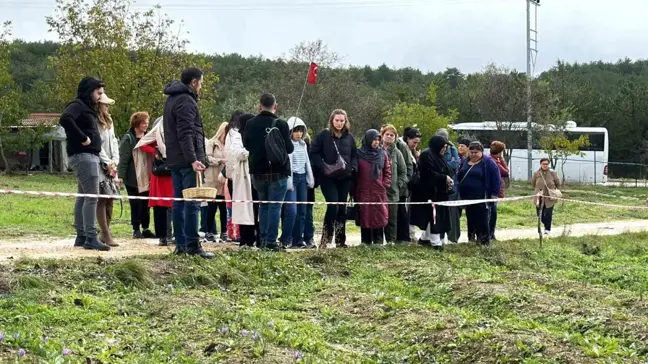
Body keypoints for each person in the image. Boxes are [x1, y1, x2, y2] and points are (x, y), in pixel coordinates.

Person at [163, 67, 214, 258]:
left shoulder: (172, 99)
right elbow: (186, 134)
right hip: (186, 161)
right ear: (194, 82)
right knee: (191, 202)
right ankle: (192, 245)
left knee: (179, 202)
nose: (201, 86)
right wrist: (193, 159)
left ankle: (182, 245)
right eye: (201, 82)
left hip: (176, 159)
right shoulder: (186, 101)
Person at [59, 76, 110, 251]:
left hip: (86, 156)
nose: (100, 96)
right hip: (84, 156)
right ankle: (90, 237)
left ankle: (81, 236)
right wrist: (83, 138)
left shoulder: (86, 107)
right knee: (92, 196)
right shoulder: (78, 105)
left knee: (83, 196)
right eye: (98, 92)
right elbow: (65, 119)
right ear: (89, 91)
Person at [242, 94, 294, 251]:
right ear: (275, 106)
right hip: (278, 172)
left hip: (257, 172)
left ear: (259, 106)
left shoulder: (250, 123)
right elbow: (290, 148)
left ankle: (263, 240)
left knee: (264, 206)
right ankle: (271, 242)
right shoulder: (282, 124)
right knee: (275, 207)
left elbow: (246, 145)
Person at [310, 109, 358, 249]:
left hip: (345, 178)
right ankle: (325, 239)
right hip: (328, 177)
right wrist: (322, 166)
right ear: (332, 120)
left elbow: (355, 154)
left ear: (346, 121)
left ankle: (340, 240)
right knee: (333, 206)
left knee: (342, 208)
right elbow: (314, 152)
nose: (339, 123)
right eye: (337, 120)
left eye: (342, 120)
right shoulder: (323, 135)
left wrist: (352, 168)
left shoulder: (349, 138)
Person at [134, 117, 174, 246]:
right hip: (160, 173)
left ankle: (169, 234)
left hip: (171, 173)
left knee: (170, 205)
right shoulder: (156, 133)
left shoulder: (173, 134)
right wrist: (155, 152)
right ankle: (164, 236)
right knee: (161, 205)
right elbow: (142, 144)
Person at [410, 135, 454, 250]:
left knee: (434, 216)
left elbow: (446, 170)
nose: (444, 149)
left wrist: (447, 179)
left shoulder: (438, 156)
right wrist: (444, 177)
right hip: (427, 192)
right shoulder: (426, 155)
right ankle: (435, 242)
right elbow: (428, 174)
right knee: (433, 216)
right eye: (443, 147)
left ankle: (425, 238)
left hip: (438, 192)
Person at [118, 111, 154, 239]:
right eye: (143, 122)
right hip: (132, 177)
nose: (145, 125)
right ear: (136, 123)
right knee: (135, 203)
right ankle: (136, 228)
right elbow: (124, 159)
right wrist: (121, 176)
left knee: (146, 203)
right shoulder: (128, 138)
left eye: (147, 123)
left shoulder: (149, 137)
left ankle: (146, 228)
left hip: (146, 175)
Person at [457, 142, 501, 246]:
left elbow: (496, 179)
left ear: (481, 152)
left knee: (482, 219)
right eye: (471, 152)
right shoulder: (465, 161)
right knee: (470, 218)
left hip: (482, 197)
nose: (473, 154)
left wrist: (494, 194)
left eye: (476, 152)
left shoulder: (488, 163)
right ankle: (471, 239)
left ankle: (484, 241)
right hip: (467, 197)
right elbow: (460, 175)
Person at [281, 116, 315, 249]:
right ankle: (286, 239)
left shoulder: (303, 145)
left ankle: (298, 239)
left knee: (302, 211)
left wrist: (310, 178)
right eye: (296, 131)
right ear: (290, 131)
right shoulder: (287, 145)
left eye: (301, 131)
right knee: (291, 211)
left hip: (302, 179)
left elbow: (307, 163)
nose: (299, 134)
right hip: (292, 179)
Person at [226, 112, 258, 249]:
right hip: (241, 178)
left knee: (255, 208)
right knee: (244, 208)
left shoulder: (254, 135)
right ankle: (245, 238)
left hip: (254, 176)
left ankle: (256, 237)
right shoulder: (236, 136)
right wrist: (252, 151)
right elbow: (237, 152)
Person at [355, 129, 391, 245]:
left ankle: (378, 240)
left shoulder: (382, 154)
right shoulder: (359, 153)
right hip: (363, 190)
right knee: (365, 215)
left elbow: (387, 171)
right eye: (374, 139)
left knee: (379, 214)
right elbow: (355, 172)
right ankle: (365, 241)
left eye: (378, 139)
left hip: (378, 190)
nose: (376, 142)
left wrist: (384, 185)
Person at [95, 92, 120, 247]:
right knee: (102, 199)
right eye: (105, 104)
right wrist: (107, 162)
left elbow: (114, 143)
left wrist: (115, 161)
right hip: (100, 165)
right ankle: (105, 232)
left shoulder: (110, 122)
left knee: (111, 199)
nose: (107, 107)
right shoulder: (96, 123)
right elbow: (98, 145)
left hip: (111, 165)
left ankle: (105, 232)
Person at [380, 124, 407, 244]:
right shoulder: (377, 150)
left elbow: (403, 171)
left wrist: (398, 184)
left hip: (393, 192)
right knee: (378, 217)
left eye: (392, 135)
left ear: (395, 137)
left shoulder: (398, 153)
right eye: (387, 134)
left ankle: (391, 241)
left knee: (392, 219)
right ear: (382, 136)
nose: (389, 137)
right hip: (378, 191)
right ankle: (378, 241)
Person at [205, 122, 229, 243]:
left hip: (224, 180)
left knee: (224, 207)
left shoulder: (229, 144)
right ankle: (208, 231)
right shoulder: (211, 143)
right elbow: (207, 158)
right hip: (212, 179)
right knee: (211, 207)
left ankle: (224, 231)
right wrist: (220, 161)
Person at [436, 128, 461, 244]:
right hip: (438, 186)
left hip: (451, 186)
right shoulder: (432, 149)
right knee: (439, 213)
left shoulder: (452, 149)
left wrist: (442, 166)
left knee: (452, 213)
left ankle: (453, 238)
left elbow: (456, 164)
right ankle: (439, 238)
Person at [531, 158, 561, 235]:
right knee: (539, 214)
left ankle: (547, 229)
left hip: (549, 197)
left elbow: (558, 183)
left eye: (546, 164)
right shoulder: (536, 173)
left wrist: (554, 190)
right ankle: (543, 222)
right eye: (543, 164)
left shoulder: (553, 173)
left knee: (548, 213)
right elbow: (533, 184)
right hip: (539, 196)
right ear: (540, 164)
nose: (545, 165)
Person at [395, 128, 414, 243]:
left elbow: (409, 166)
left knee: (401, 212)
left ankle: (404, 237)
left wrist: (404, 181)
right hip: (390, 186)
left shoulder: (402, 146)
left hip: (401, 186)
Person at [489, 141, 509, 241]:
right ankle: (490, 234)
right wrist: (501, 159)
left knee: (492, 213)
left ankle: (491, 234)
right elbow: (506, 172)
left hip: (495, 191)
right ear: (500, 151)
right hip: (493, 191)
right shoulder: (494, 161)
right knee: (492, 213)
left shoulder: (492, 159)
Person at [457, 138, 474, 241]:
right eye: (459, 146)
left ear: (468, 148)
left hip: (469, 191)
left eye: (462, 146)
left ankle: (471, 237)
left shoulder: (470, 160)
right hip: (459, 190)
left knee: (471, 215)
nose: (460, 148)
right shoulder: (456, 158)